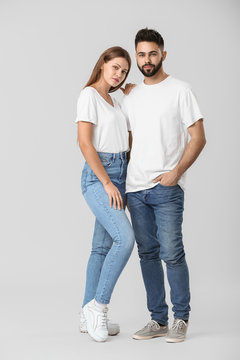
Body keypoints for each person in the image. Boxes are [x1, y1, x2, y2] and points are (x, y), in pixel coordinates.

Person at [121, 28, 206, 343]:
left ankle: (180, 318)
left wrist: (175, 173)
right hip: (135, 189)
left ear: (163, 55)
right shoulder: (130, 95)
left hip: (166, 188)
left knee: (172, 252)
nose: (147, 60)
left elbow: (198, 138)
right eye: (141, 54)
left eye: (152, 53)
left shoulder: (181, 90)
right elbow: (129, 141)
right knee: (147, 254)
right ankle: (157, 320)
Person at [75, 46, 135, 342]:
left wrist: (134, 94)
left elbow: (128, 135)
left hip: (121, 173)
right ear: (102, 65)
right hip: (100, 177)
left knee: (101, 248)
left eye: (124, 71)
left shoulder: (117, 100)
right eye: (115, 68)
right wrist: (108, 183)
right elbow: (85, 143)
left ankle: (86, 314)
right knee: (125, 239)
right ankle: (99, 307)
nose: (119, 75)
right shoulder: (89, 96)